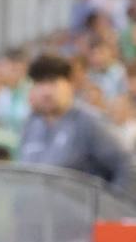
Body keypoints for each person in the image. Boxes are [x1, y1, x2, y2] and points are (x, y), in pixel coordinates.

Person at [18, 54, 132, 194]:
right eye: (40, 83)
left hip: (80, 212)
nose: (46, 91)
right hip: (39, 211)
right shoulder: (31, 124)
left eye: (53, 82)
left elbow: (127, 164)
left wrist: (113, 208)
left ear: (69, 84)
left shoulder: (88, 122)